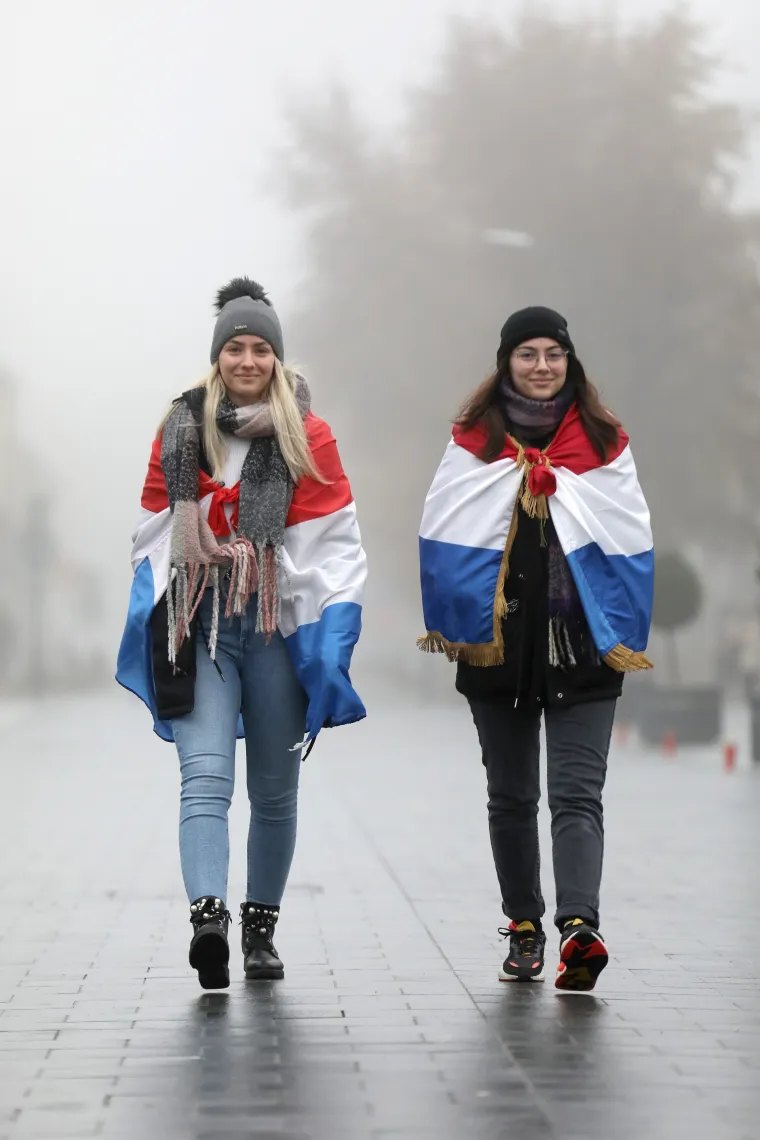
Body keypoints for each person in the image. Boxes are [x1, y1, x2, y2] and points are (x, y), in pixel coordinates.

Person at [117, 277, 367, 990]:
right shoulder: (180, 429)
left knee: (276, 789)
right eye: (236, 347)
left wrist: (264, 559)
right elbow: (150, 529)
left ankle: (260, 929)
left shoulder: (307, 435)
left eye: (261, 348)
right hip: (201, 626)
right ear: (218, 355)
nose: (248, 360)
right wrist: (198, 545)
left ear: (277, 359)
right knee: (204, 779)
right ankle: (208, 921)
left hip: (274, 628)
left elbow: (334, 542)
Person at [418, 307, 653, 991]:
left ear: (571, 362)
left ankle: (579, 930)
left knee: (578, 795)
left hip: (583, 644)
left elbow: (629, 535)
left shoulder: (604, 442)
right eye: (528, 354)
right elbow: (444, 530)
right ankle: (523, 926)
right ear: (506, 363)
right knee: (513, 795)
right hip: (502, 645)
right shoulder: (473, 443)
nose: (543, 366)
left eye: (555, 353)